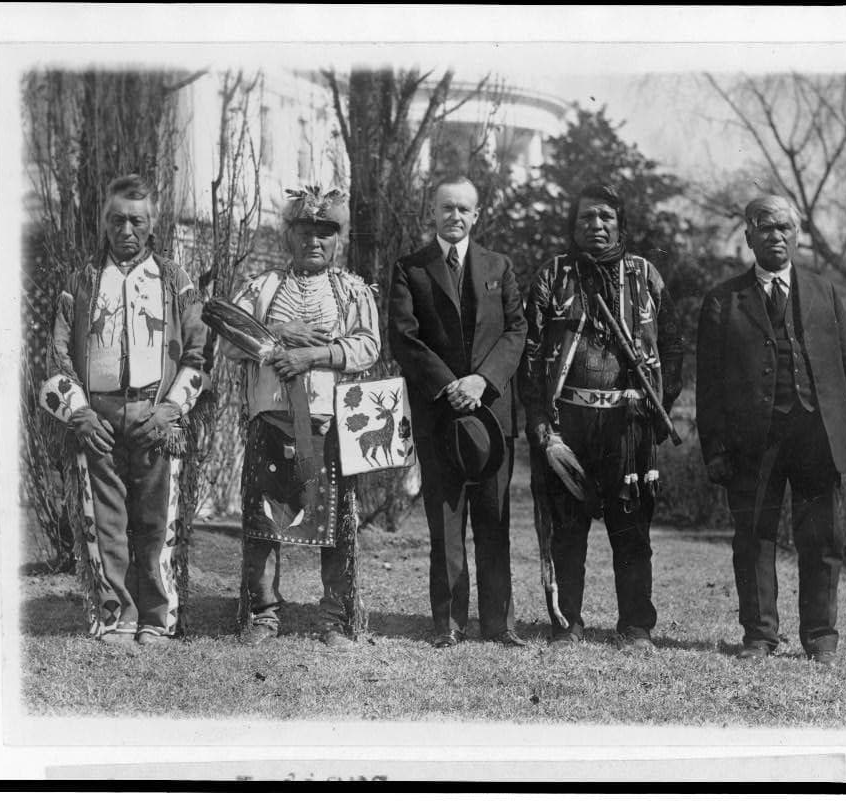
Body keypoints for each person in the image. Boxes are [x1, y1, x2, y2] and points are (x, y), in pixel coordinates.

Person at [696, 195, 846, 666]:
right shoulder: (724, 300)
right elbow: (708, 386)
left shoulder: (824, 291)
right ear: (748, 236)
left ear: (798, 234)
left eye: (786, 227)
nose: (777, 236)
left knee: (823, 539)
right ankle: (760, 635)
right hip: (753, 442)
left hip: (818, 436)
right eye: (766, 227)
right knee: (753, 538)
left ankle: (821, 636)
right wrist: (715, 449)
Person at [40, 174, 207, 647]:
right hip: (98, 419)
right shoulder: (81, 282)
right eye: (117, 220)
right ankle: (117, 616)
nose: (126, 230)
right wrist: (80, 415)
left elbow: (198, 353)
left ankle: (157, 617)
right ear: (103, 223)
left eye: (136, 220)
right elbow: (56, 360)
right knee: (106, 521)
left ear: (152, 224)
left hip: (157, 417)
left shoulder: (175, 281)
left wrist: (172, 409)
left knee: (158, 522)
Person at [518, 183, 683, 650]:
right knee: (566, 528)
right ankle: (567, 623)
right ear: (574, 225)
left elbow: (672, 346)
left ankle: (635, 626)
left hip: (630, 421)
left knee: (631, 527)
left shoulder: (645, 275)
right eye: (587, 217)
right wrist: (537, 418)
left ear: (620, 224)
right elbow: (531, 353)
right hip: (567, 422)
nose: (597, 225)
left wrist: (661, 406)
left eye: (606, 217)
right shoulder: (554, 275)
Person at [220, 185, 380, 650]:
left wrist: (313, 354)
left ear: (337, 240)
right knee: (262, 523)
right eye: (305, 232)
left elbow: (368, 347)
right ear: (289, 236)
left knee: (335, 526)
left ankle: (333, 618)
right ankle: (263, 614)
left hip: (328, 426)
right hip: (271, 422)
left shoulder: (351, 290)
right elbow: (230, 342)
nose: (314, 241)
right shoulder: (261, 287)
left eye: (325, 233)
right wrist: (275, 334)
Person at [389, 176, 528, 648]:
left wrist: (482, 380)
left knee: (494, 520)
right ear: (433, 212)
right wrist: (450, 385)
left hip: (492, 414)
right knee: (446, 523)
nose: (455, 216)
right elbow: (404, 338)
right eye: (447, 207)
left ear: (477, 215)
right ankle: (448, 623)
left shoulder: (499, 266)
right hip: (439, 414)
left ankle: (499, 624)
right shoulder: (411, 269)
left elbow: (516, 331)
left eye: (464, 209)